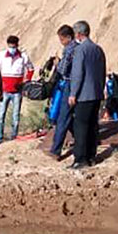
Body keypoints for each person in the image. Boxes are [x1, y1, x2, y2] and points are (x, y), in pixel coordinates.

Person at [68, 20, 107, 169]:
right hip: (96, 93)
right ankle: (92, 157)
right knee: (92, 126)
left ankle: (80, 159)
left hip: (84, 95)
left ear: (78, 34)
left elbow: (77, 74)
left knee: (80, 127)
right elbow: (103, 72)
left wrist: (73, 93)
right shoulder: (98, 49)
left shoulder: (80, 50)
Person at [0, 35, 34, 143]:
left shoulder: (23, 56)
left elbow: (30, 69)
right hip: (4, 90)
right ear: (8, 44)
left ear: (17, 45)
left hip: (17, 91)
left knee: (15, 116)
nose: (12, 47)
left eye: (14, 45)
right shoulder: (1, 56)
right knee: (1, 115)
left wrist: (26, 82)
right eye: (10, 45)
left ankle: (14, 137)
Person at [48, 24, 78, 158]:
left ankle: (56, 150)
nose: (61, 42)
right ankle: (85, 139)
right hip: (77, 84)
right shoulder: (79, 47)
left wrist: (57, 64)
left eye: (62, 39)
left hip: (69, 84)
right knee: (71, 116)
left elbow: (63, 69)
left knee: (63, 117)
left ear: (68, 37)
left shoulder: (69, 49)